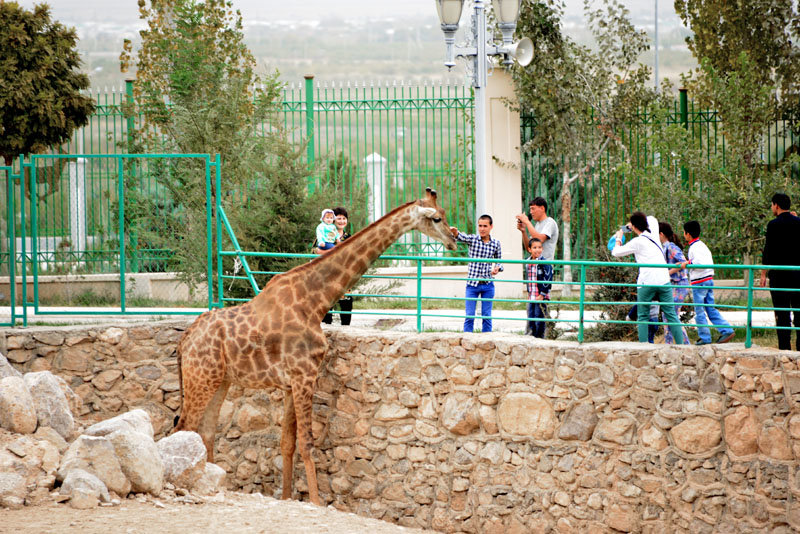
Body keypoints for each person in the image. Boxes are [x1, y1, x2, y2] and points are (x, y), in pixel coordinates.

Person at [611, 211, 684, 344]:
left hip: (646, 282)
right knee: (672, 316)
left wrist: (619, 236)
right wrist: (633, 224)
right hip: (663, 280)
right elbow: (652, 218)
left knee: (643, 316)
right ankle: (682, 347)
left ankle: (644, 347)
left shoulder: (637, 242)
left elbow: (615, 252)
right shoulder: (654, 233)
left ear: (634, 227)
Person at [679, 220, 735, 345]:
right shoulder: (702, 245)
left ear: (688, 234)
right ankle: (726, 329)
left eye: (684, 232)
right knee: (710, 308)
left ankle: (705, 337)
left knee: (699, 311)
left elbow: (699, 263)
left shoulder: (694, 247)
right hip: (708, 279)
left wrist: (687, 265)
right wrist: (687, 263)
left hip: (699, 282)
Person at [760, 193, 800, 350]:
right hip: (797, 275)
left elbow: (768, 251)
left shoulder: (773, 225)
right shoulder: (798, 222)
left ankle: (785, 349)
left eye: (772, 205)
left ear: (776, 205)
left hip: (779, 276)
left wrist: (763, 274)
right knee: (799, 312)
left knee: (782, 314)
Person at [450, 215, 503, 333]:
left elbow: (499, 261)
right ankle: (467, 339)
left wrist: (497, 268)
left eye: (485, 226)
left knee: (486, 316)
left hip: (488, 284)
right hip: (472, 284)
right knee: (469, 316)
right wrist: (455, 233)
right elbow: (462, 237)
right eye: (480, 226)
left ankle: (487, 340)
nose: (482, 229)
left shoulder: (495, 243)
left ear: (491, 227)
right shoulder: (473, 240)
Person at [314, 207, 354, 325]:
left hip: (343, 274)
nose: (341, 221)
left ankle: (346, 328)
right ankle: (327, 327)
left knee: (347, 301)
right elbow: (315, 250)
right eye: (338, 218)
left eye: (344, 218)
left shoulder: (348, 237)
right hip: (326, 273)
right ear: (332, 219)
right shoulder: (323, 234)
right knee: (327, 301)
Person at [656, 222, 690, 344]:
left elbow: (683, 262)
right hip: (674, 284)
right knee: (668, 314)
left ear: (661, 234)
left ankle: (684, 344)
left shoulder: (671, 247)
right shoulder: (665, 247)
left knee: (671, 315)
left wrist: (668, 272)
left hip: (680, 284)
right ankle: (670, 343)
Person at [523, 237, 553, 338]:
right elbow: (529, 279)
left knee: (539, 316)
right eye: (535, 247)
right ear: (529, 249)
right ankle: (532, 335)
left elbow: (548, 278)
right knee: (531, 316)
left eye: (539, 247)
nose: (537, 250)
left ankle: (540, 337)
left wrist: (543, 294)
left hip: (540, 295)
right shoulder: (527, 262)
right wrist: (528, 292)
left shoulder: (544, 263)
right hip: (532, 294)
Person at [516, 197, 559, 261]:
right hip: (535, 265)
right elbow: (529, 248)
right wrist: (523, 231)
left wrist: (527, 222)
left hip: (545, 266)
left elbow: (540, 239)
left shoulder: (550, 222)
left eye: (533, 209)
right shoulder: (537, 225)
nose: (531, 212)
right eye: (530, 209)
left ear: (542, 208)